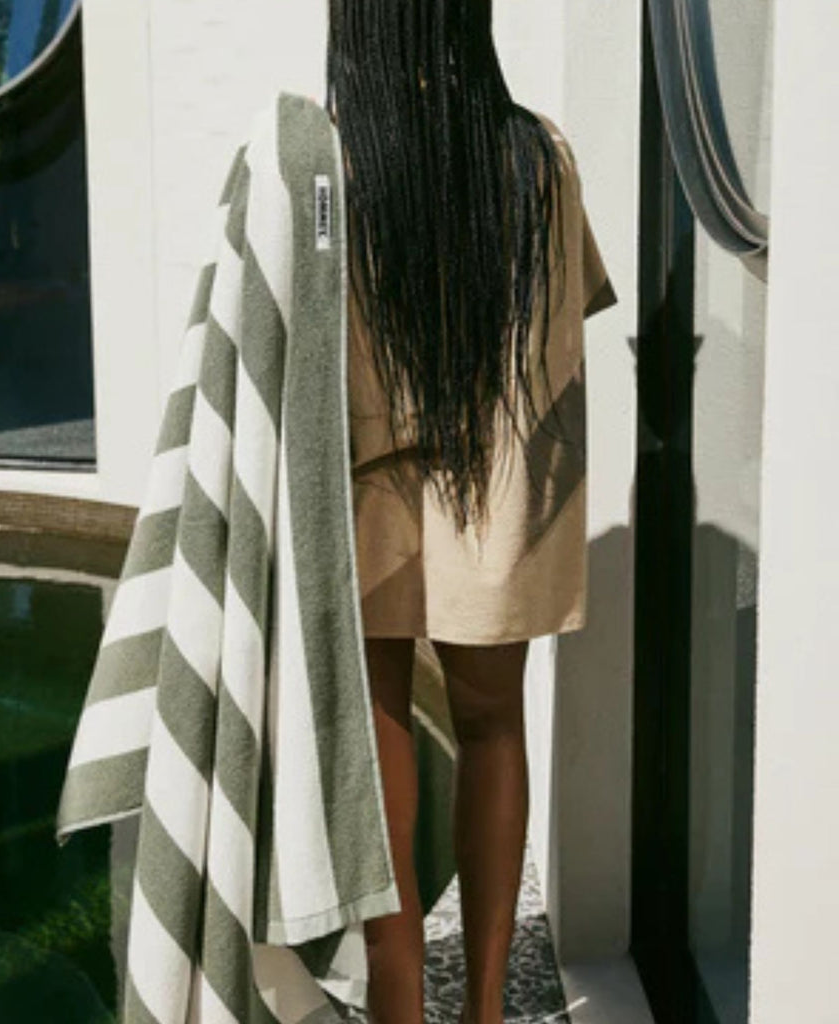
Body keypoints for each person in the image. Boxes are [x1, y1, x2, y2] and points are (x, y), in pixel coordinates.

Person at [324, 2, 618, 1022]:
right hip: (501, 479)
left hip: (363, 478)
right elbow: (570, 313)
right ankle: (486, 1006)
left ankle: (399, 999)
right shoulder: (535, 153)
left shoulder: (331, 162)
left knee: (377, 728)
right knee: (493, 726)